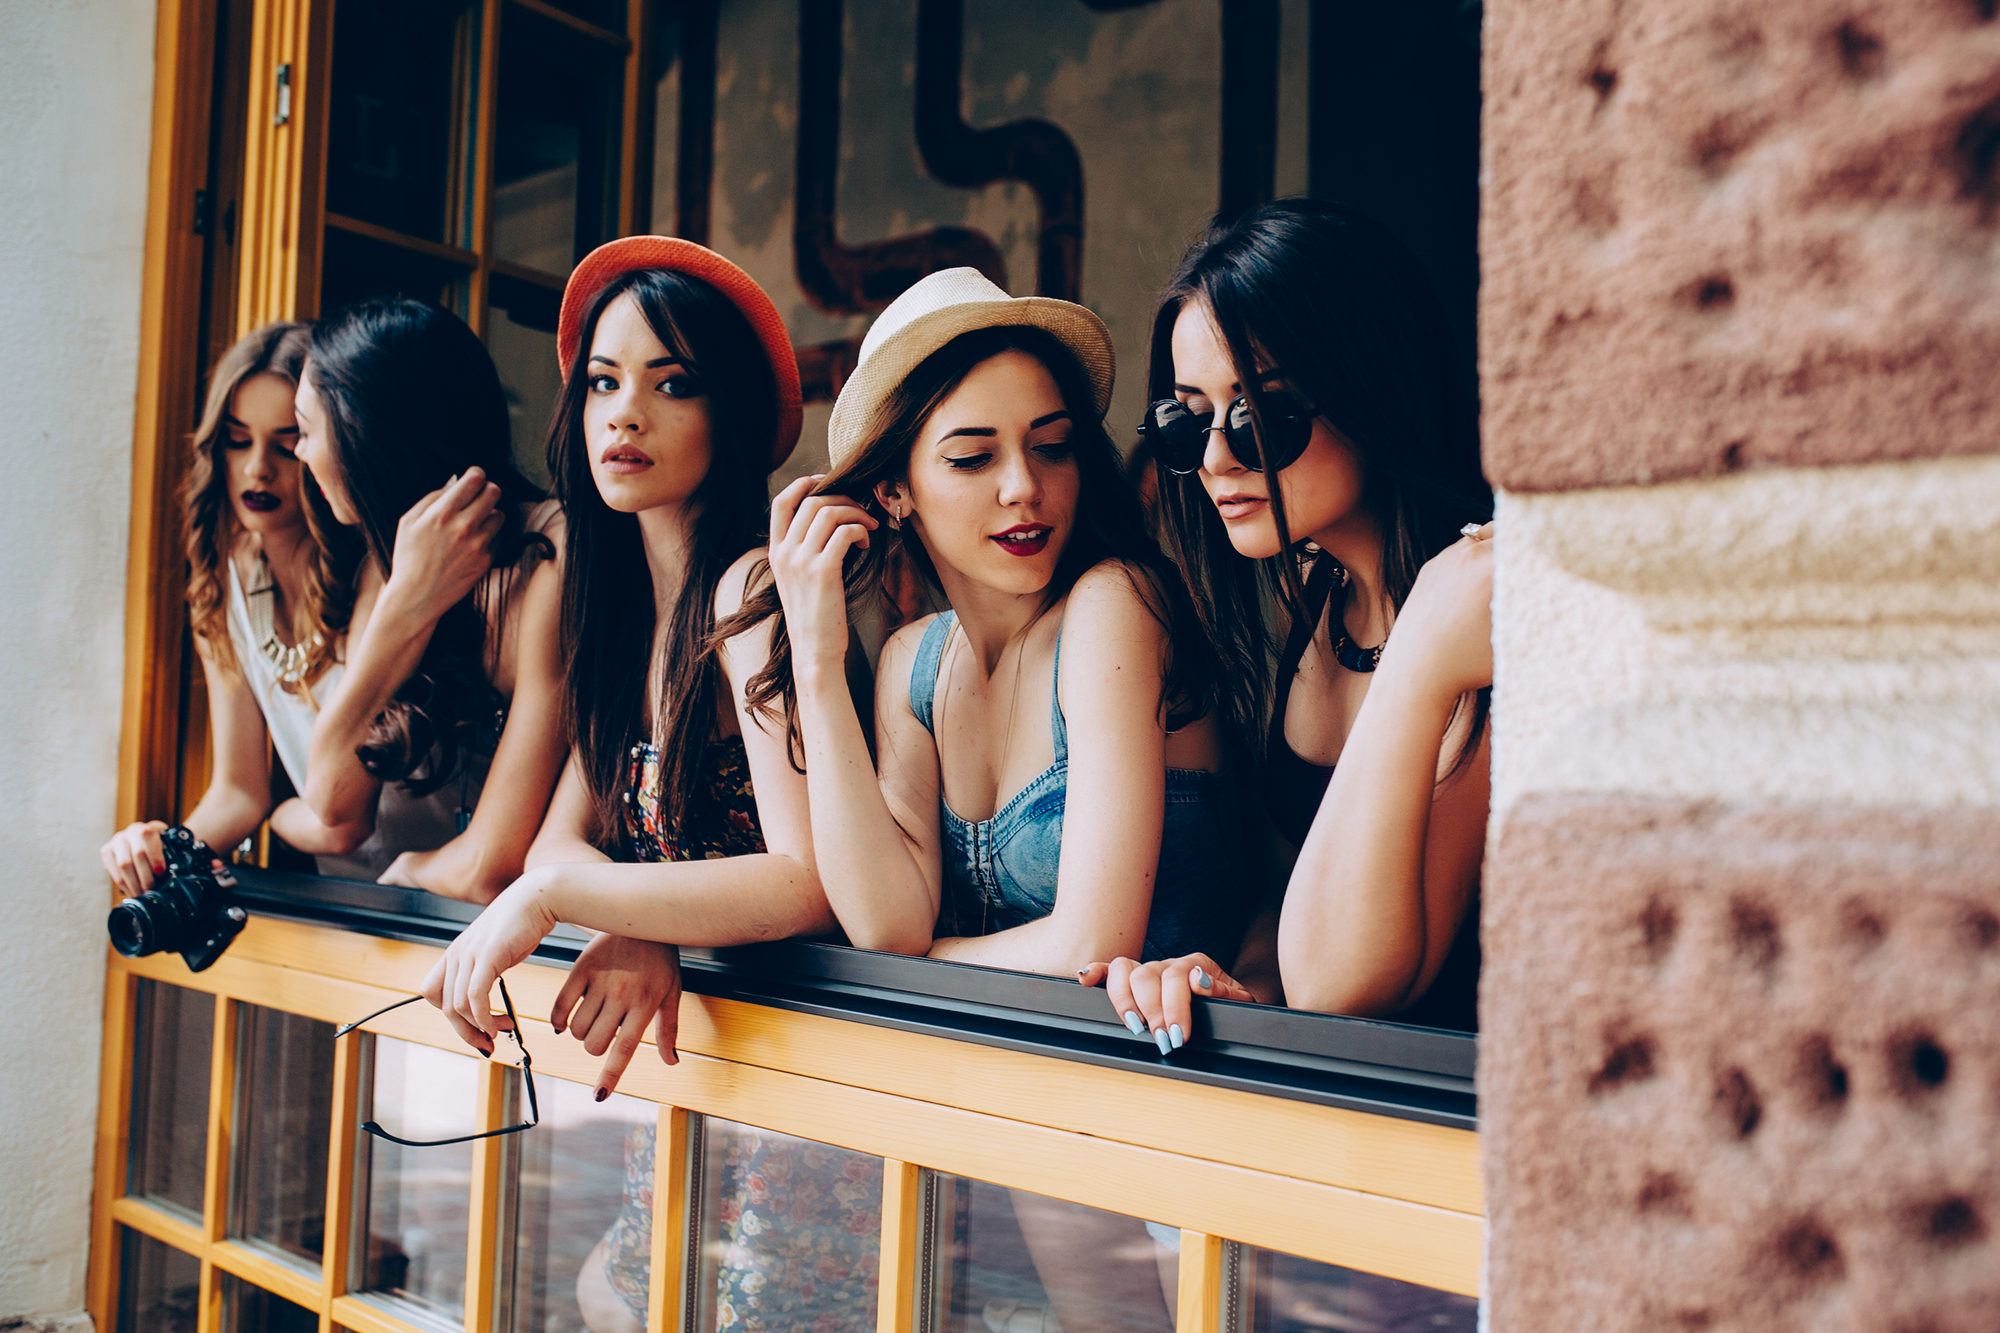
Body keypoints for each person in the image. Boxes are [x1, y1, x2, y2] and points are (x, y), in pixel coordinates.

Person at [746, 268, 1241, 1332]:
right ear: (892, 492)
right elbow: (883, 916)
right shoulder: (912, 666)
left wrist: (911, 968)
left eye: (1051, 445)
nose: (1023, 486)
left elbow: (1089, 940)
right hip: (1039, 1126)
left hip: (1192, 1110)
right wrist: (820, 655)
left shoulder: (1116, 603)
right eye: (972, 457)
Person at [417, 239, 863, 1333]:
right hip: (704, 1076)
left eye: (673, 384)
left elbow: (807, 879)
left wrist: (575, 901)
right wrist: (632, 915)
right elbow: (562, 841)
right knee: (611, 1297)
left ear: (734, 418)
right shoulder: (618, 616)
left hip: (806, 1087)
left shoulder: (751, 587)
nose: (626, 413)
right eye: (604, 383)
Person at [1083, 199, 1494, 1041]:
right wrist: (1223, 980)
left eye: (1263, 415)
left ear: (1370, 390)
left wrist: (1419, 657)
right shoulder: (1309, 597)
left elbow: (1346, 984)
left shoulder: (1481, 617)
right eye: (1186, 419)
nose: (1214, 459)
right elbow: (1293, 907)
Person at [290, 298, 568, 901]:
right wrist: (407, 603)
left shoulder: (555, 550)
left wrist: (407, 875)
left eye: (307, 431)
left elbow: (492, 864)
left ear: (363, 433)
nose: (299, 455)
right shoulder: (385, 564)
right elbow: (333, 803)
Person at [100, 322, 381, 891]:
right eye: (237, 439)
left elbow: (340, 823)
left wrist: (281, 815)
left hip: (436, 901)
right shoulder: (230, 575)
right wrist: (162, 848)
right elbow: (239, 789)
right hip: (346, 898)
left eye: (284, 443)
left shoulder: (374, 569)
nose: (258, 468)